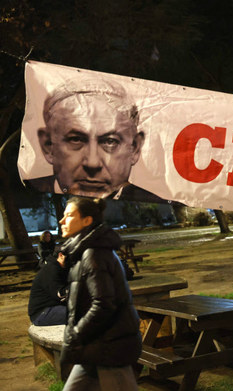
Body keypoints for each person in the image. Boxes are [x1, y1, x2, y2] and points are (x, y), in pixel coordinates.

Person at [25, 79, 162, 202]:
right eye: (76, 139)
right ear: (48, 146)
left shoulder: (153, 197)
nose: (92, 163)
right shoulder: (30, 191)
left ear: (135, 148)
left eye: (110, 142)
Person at [58, 197, 142, 390]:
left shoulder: (93, 254)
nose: (62, 221)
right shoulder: (83, 251)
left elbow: (104, 304)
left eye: (69, 215)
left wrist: (76, 334)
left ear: (87, 221)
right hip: (94, 346)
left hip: (109, 347)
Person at [27, 251, 68, 326]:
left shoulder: (62, 268)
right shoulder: (51, 269)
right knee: (80, 314)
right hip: (42, 312)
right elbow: (59, 294)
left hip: (52, 308)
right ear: (61, 255)